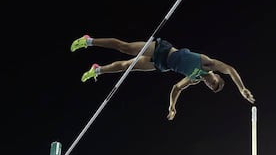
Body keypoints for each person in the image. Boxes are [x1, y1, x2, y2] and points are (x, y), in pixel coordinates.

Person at [70, 35, 255, 120]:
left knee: (127, 66)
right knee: (124, 47)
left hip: (161, 64)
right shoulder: (207, 64)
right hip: (163, 50)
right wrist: (241, 88)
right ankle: (88, 41)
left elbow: (176, 88)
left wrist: (172, 106)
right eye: (212, 82)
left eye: (209, 86)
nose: (208, 83)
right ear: (214, 76)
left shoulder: (194, 79)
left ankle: (97, 70)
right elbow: (230, 69)